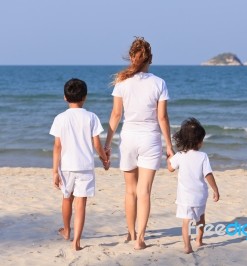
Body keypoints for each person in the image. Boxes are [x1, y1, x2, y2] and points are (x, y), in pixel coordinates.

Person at [104, 37, 174, 250]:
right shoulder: (159, 82)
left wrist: (106, 143)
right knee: (144, 191)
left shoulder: (121, 82)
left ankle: (131, 232)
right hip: (150, 139)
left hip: (129, 139)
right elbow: (162, 118)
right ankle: (140, 239)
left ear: (132, 57)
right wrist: (170, 147)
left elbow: (116, 115)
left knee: (130, 191)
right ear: (150, 59)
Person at [50, 78, 110, 251]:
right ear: (85, 97)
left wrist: (54, 171)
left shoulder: (60, 118)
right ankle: (76, 242)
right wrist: (105, 158)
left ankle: (67, 230)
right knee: (81, 203)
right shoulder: (91, 117)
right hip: (85, 166)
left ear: (65, 97)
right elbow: (97, 145)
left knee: (67, 198)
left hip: (66, 166)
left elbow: (57, 146)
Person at [167, 118, 220, 254]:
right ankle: (199, 240)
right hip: (200, 195)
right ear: (199, 142)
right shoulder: (203, 156)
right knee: (201, 218)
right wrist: (215, 189)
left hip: (185, 197)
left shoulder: (179, 155)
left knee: (186, 222)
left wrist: (169, 158)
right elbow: (208, 174)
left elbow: (170, 168)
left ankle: (187, 246)